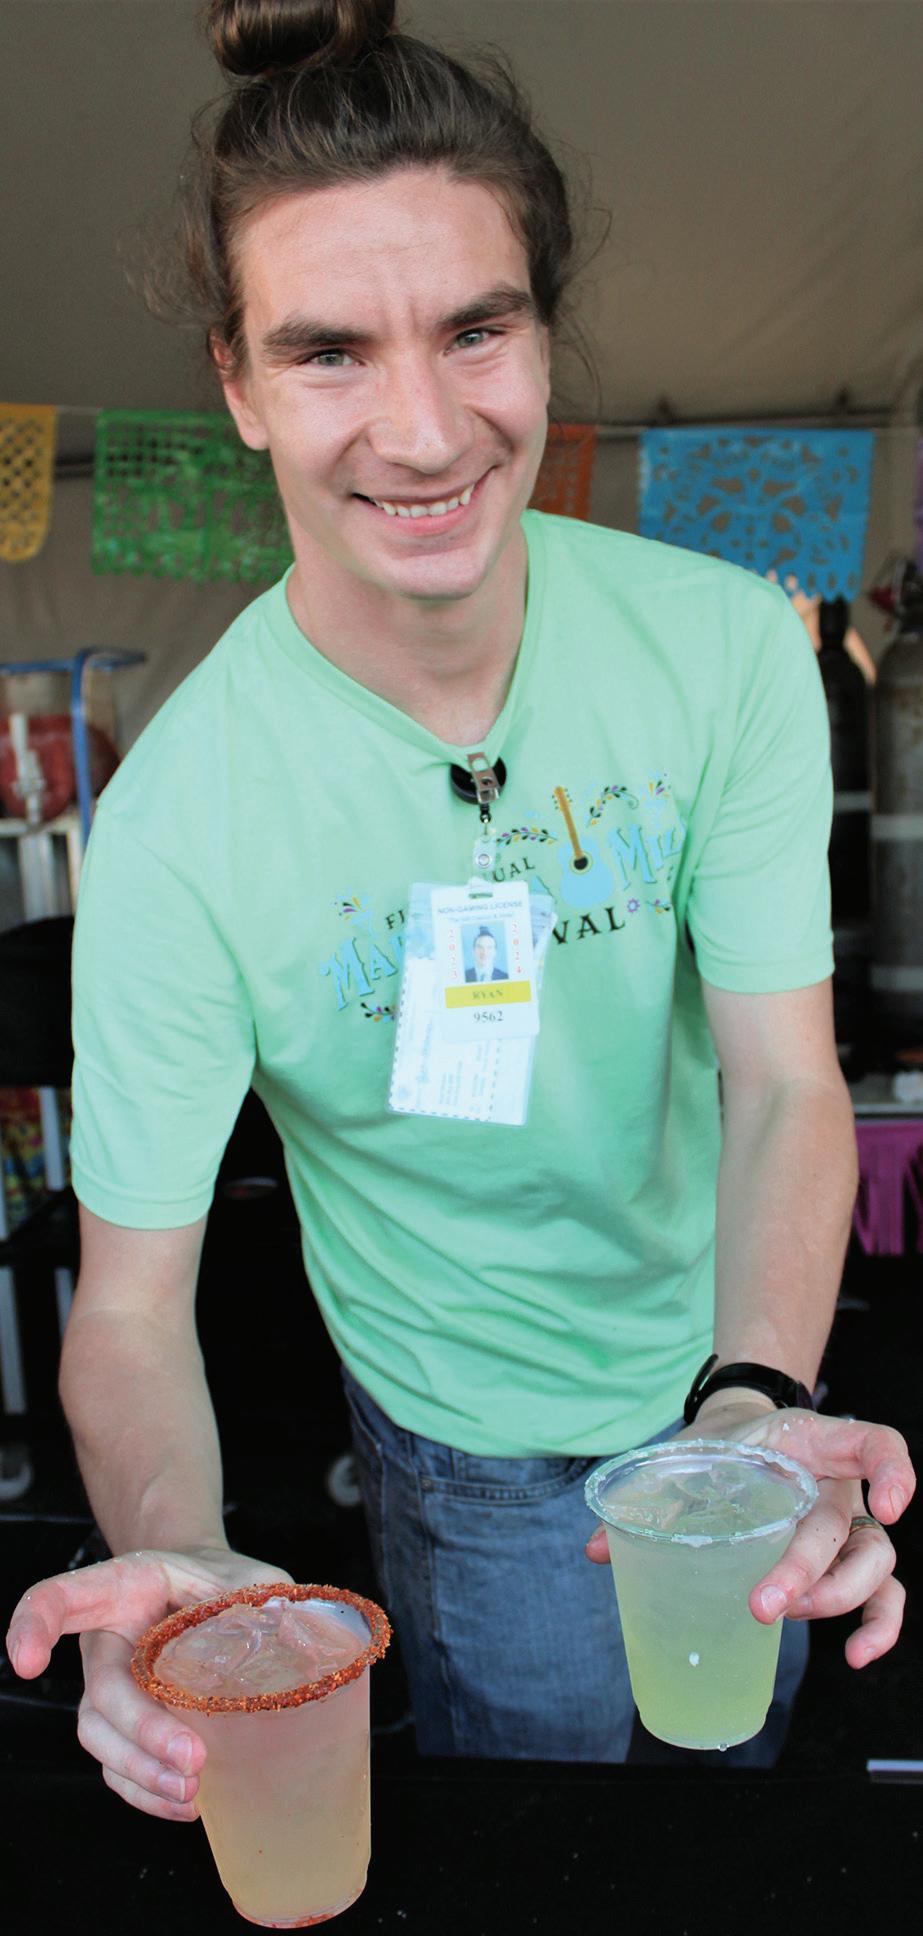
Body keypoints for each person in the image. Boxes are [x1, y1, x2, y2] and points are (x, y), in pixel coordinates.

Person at [7, 0, 914, 1819]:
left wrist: (753, 1403)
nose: (424, 433)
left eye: (477, 329)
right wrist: (186, 1546)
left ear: (547, 333)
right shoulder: (181, 819)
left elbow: (784, 1083)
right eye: (329, 352)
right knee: (543, 1837)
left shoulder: (727, 649)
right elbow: (130, 1302)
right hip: (464, 1436)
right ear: (238, 385)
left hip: (730, 1381)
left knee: (736, 1796)